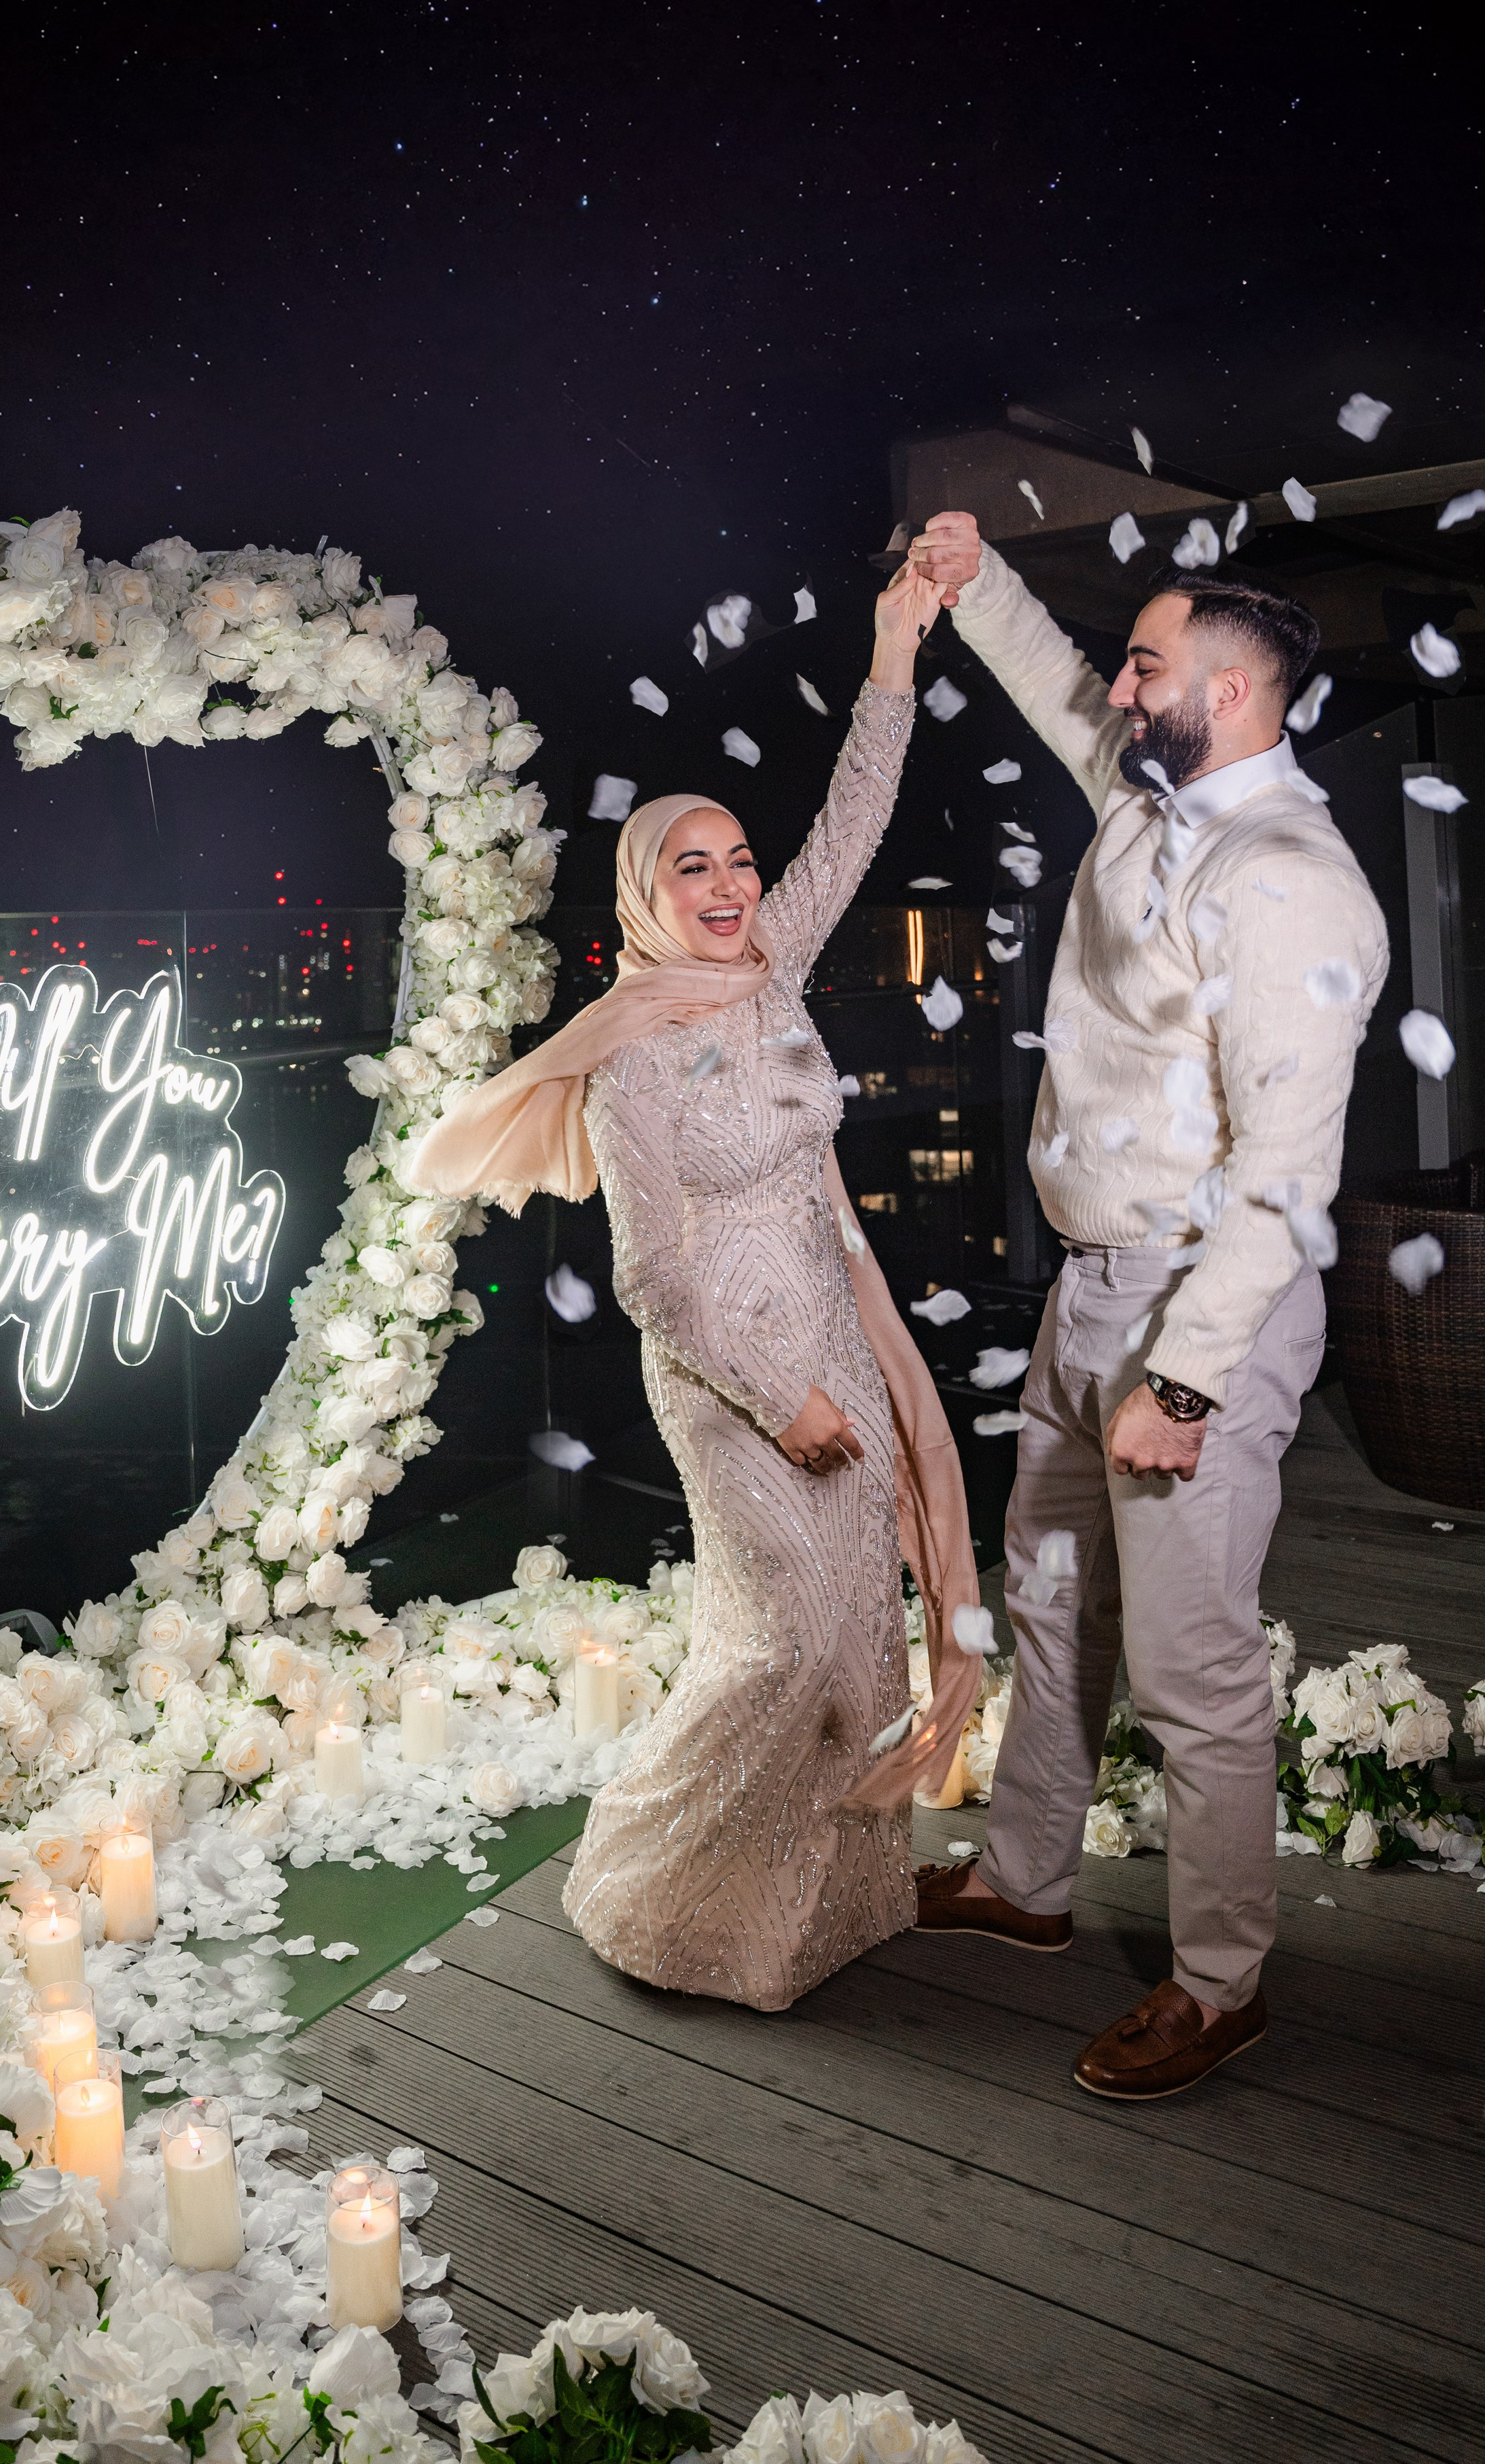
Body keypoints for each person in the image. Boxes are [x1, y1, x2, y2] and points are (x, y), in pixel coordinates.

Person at [406, 555, 982, 2011]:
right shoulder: (630, 1049)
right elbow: (653, 1275)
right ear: (643, 894)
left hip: (837, 1347)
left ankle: (816, 1907)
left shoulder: (770, 973)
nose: (728, 887)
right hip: (731, 1383)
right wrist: (776, 1397)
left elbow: (854, 815)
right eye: (693, 866)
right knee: (778, 1642)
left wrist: (892, 652)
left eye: (736, 861)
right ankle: (659, 1884)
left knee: (854, 1636)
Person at [872, 509, 1388, 2098]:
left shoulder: (1288, 879)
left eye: (1144, 662)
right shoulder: (1150, 793)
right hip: (1084, 1286)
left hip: (1194, 1308)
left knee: (1189, 1668)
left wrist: (1184, 1380)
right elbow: (1050, 684)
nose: (1116, 681)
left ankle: (1219, 1980)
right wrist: (973, 581)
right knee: (1046, 1599)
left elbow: (1287, 1177)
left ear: (1228, 696)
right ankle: (1026, 1883)